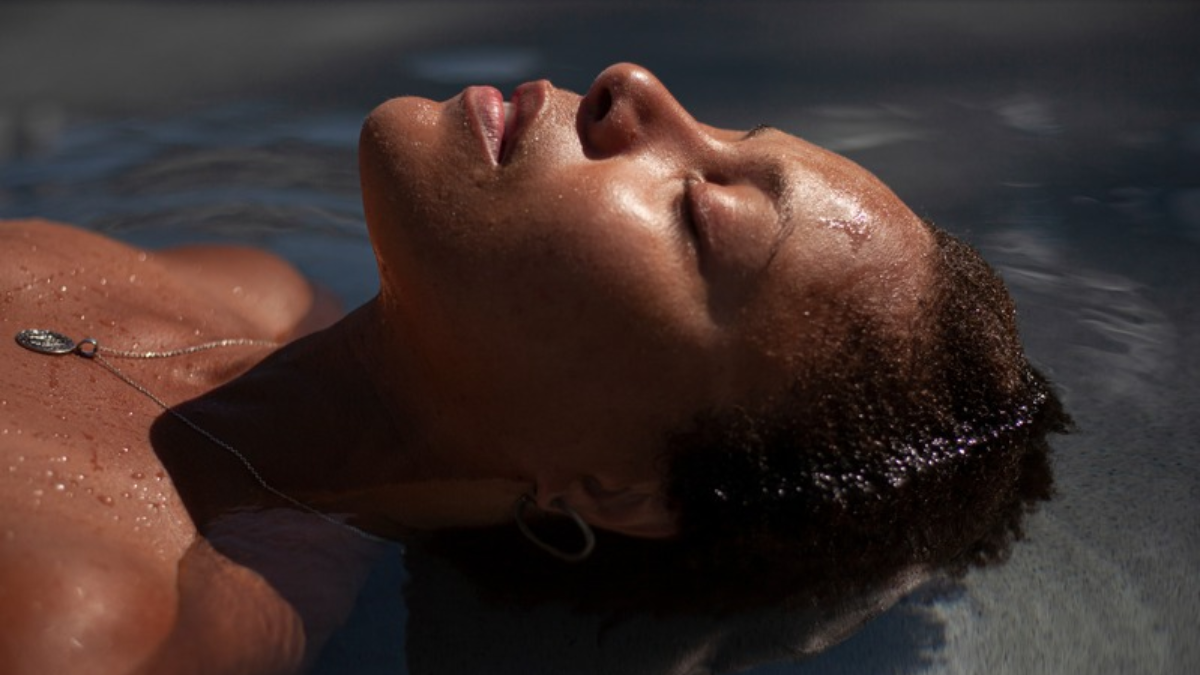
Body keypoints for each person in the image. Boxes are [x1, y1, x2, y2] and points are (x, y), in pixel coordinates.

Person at [0, 63, 1068, 674]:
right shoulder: (250, 290)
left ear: (615, 488)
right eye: (724, 129)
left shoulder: (91, 627)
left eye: (701, 217)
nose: (633, 88)